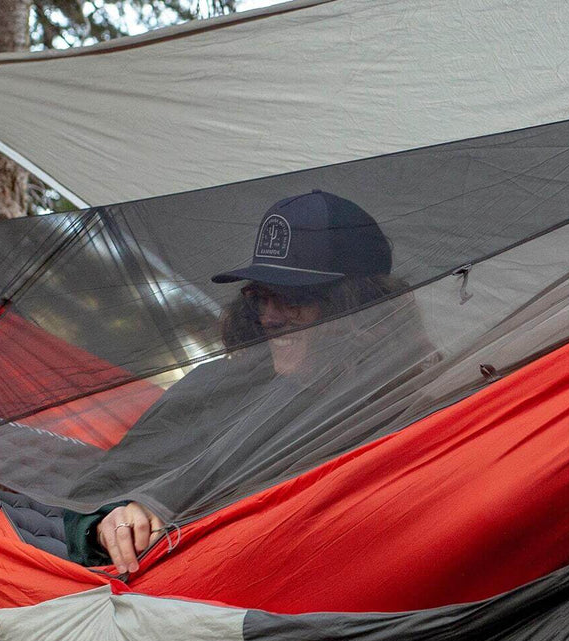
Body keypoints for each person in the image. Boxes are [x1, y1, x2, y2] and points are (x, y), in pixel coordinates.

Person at [64, 189, 428, 573]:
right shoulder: (216, 388)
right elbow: (92, 496)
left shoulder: (414, 420)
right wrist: (110, 523)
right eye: (260, 298)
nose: (269, 317)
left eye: (293, 299)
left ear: (357, 310)